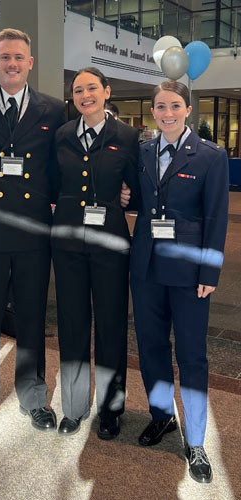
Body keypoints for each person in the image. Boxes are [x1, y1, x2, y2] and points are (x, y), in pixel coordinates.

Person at [0, 28, 65, 435]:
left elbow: (60, 168)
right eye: (5, 57)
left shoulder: (54, 110)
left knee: (32, 317)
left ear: (30, 63)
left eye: (19, 57)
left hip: (34, 231)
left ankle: (34, 396)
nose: (12, 64)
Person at [130, 80, 228, 483]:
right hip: (147, 269)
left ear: (188, 109)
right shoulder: (144, 152)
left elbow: (217, 217)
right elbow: (140, 199)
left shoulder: (210, 156)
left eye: (174, 106)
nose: (166, 113)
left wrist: (209, 271)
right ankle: (162, 416)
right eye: (159, 107)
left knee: (191, 356)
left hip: (189, 273)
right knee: (152, 348)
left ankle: (197, 440)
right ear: (153, 111)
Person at [51, 67, 140, 437]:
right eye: (77, 90)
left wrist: (126, 196)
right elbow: (53, 183)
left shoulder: (127, 136)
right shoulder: (61, 136)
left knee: (111, 324)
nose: (84, 94)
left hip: (110, 243)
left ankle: (110, 409)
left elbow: (137, 187)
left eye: (91, 88)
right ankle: (73, 407)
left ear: (106, 92)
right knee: (71, 323)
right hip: (68, 242)